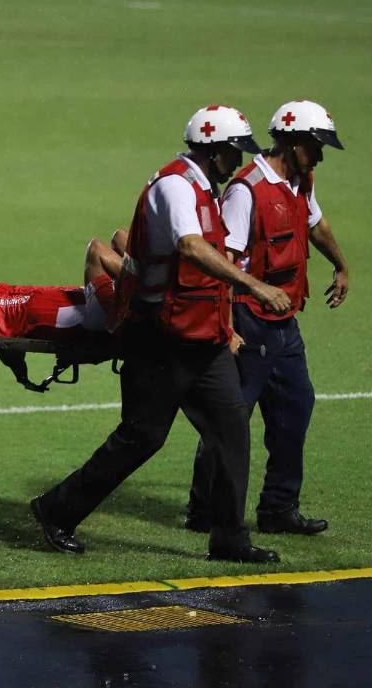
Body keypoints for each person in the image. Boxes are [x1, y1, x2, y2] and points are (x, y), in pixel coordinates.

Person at [30, 105, 293, 562]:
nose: (239, 162)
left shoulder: (205, 188)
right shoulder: (175, 186)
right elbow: (190, 248)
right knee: (142, 437)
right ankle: (56, 509)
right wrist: (253, 285)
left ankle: (229, 537)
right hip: (158, 337)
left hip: (202, 339)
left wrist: (226, 328)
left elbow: (207, 273)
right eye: (235, 153)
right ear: (215, 151)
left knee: (231, 429)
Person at [184, 100, 349, 536]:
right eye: (316, 146)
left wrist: (340, 263)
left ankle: (278, 509)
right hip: (246, 319)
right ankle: (205, 510)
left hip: (284, 323)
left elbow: (315, 224)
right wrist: (228, 327)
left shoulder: (300, 181)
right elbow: (223, 263)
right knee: (230, 418)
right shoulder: (247, 190)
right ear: (293, 142)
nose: (321, 155)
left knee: (296, 407)